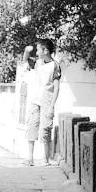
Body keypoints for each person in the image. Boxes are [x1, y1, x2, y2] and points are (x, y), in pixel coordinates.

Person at [22, 38, 61, 166]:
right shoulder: (38, 63)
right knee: (32, 127)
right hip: (35, 100)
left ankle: (45, 159)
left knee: (45, 130)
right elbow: (26, 60)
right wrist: (26, 51)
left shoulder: (55, 65)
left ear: (46, 50)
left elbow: (56, 87)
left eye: (38, 49)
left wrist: (52, 105)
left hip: (47, 102)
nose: (37, 52)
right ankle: (30, 158)